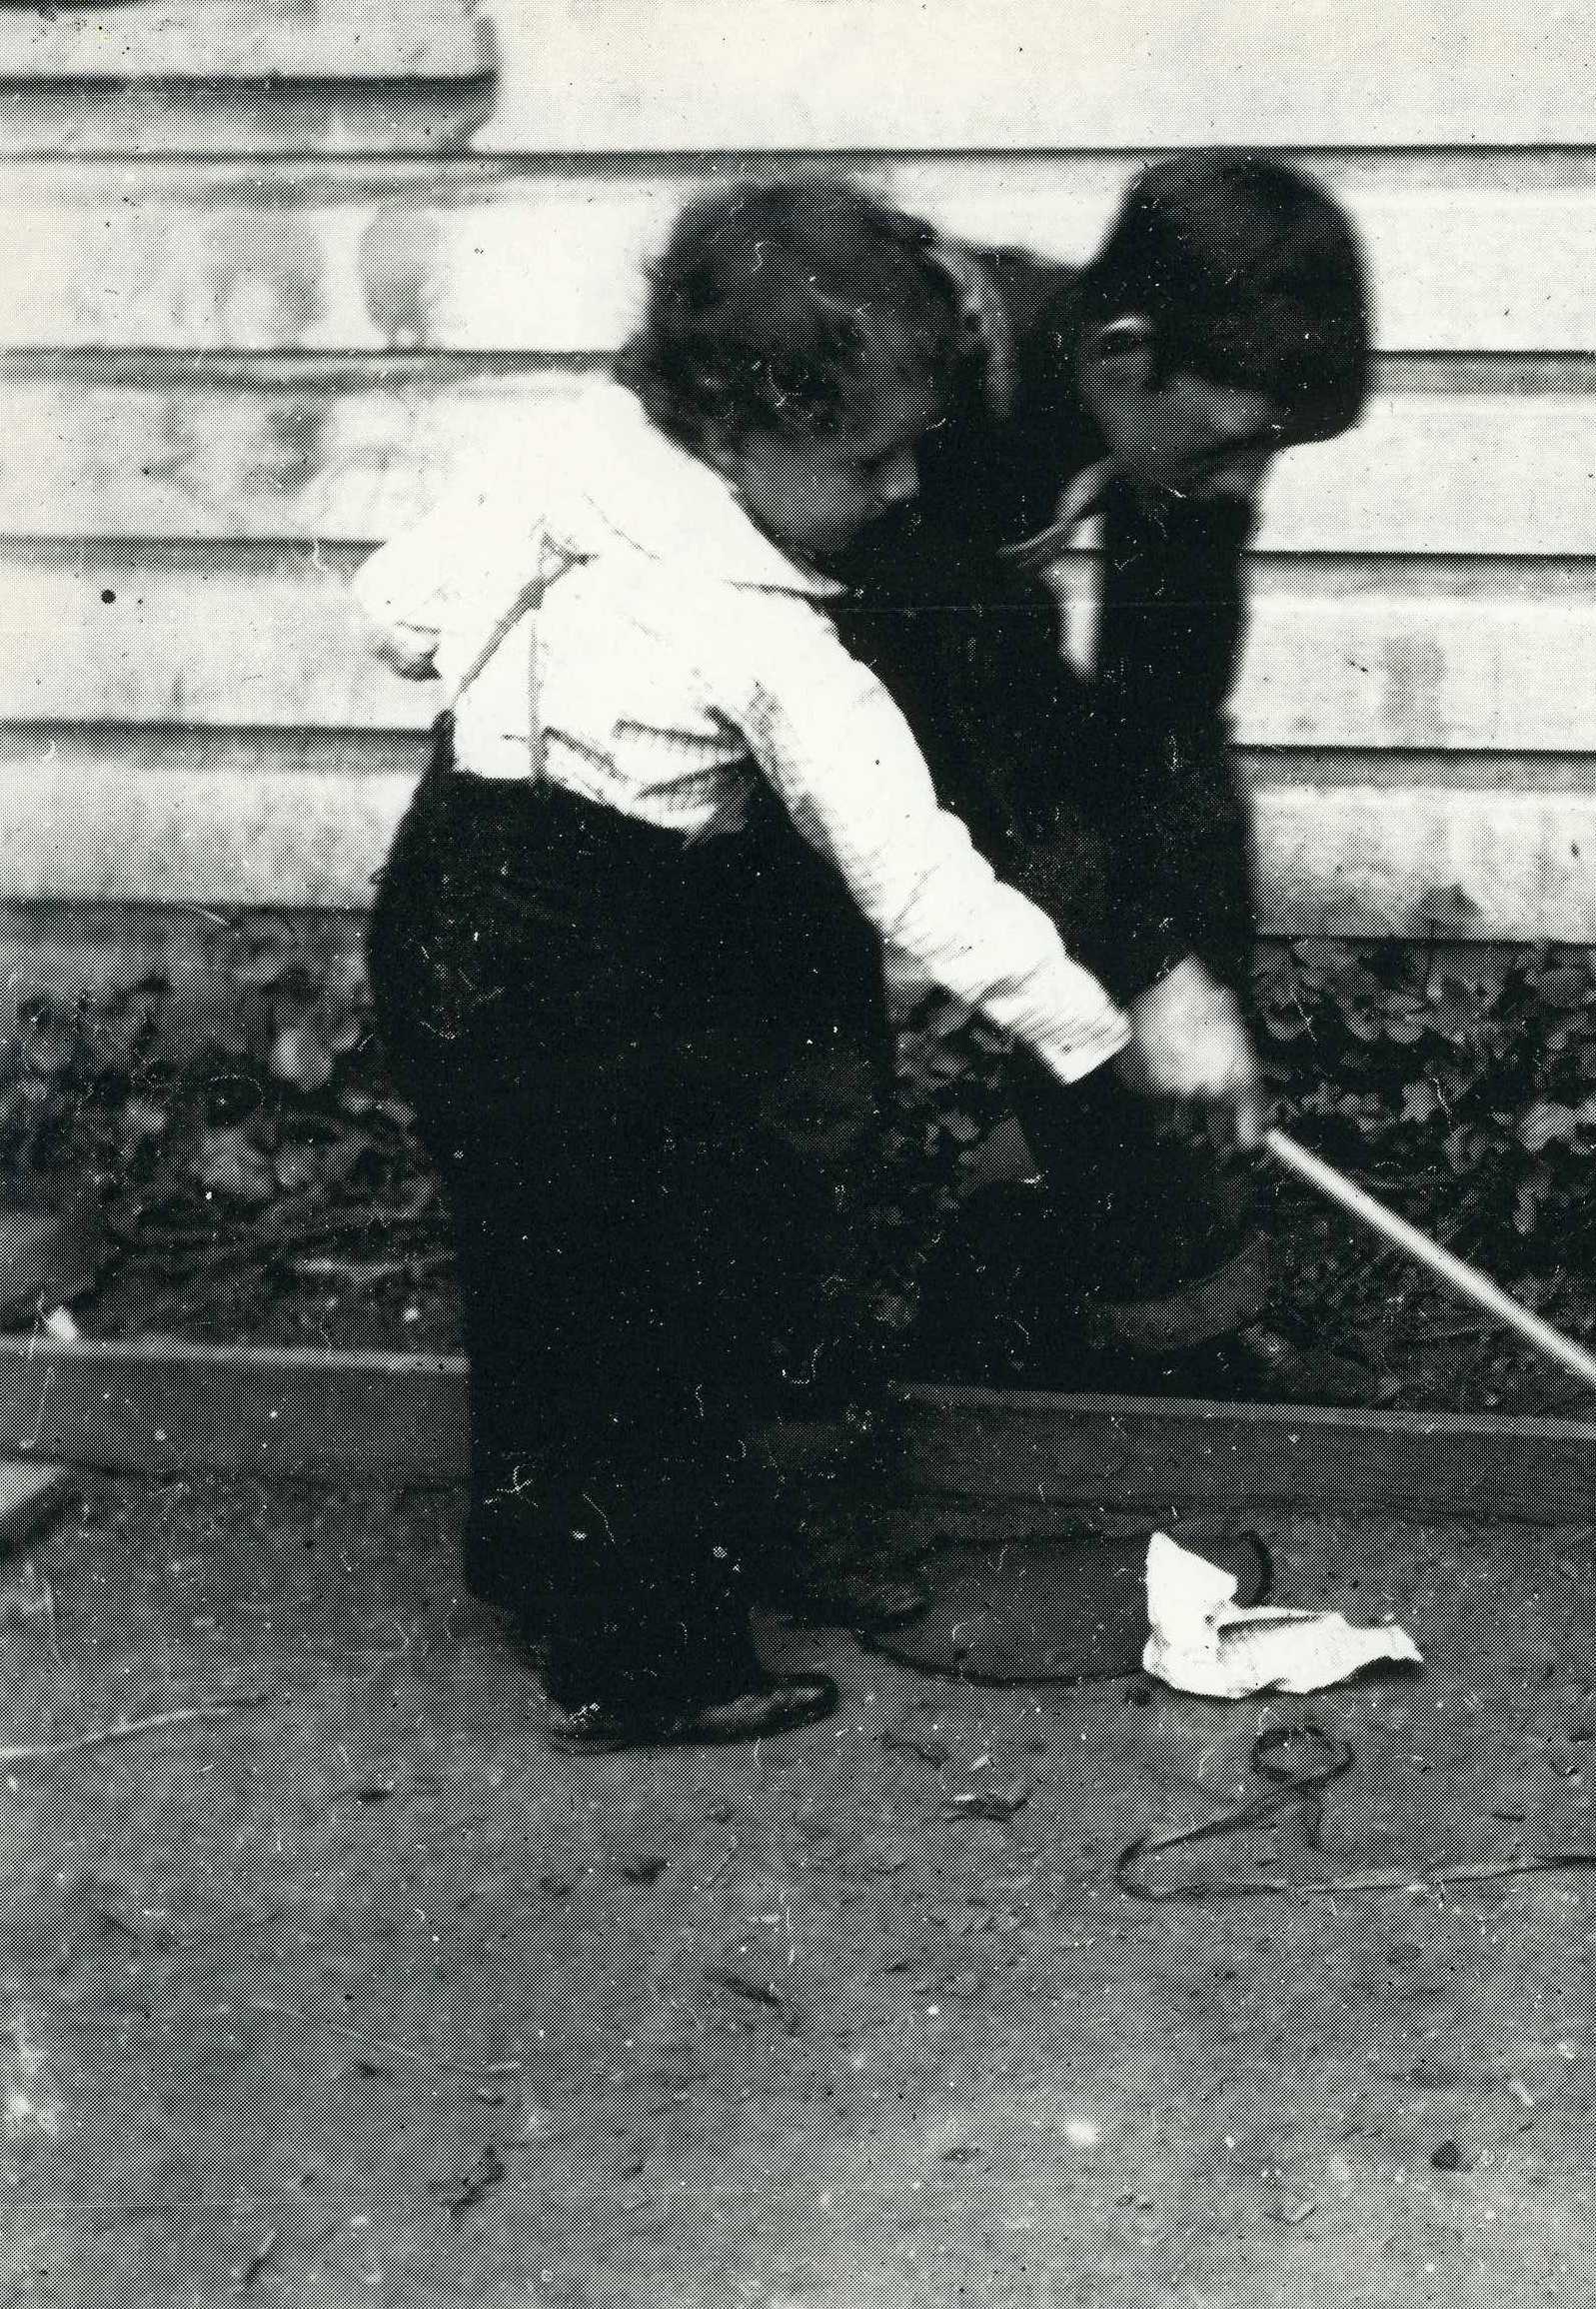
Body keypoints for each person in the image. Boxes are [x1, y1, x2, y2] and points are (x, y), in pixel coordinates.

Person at [356, 180, 1201, 1751]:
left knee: (536, 1273)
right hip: (592, 952)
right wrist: (1089, 1032)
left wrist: (520, 627)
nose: (899, 493)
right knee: (648, 1299)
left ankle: (536, 1562)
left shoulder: (568, 466)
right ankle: (650, 1662)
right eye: (867, 460)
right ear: (738, 437)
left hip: (447, 905)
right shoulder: (774, 642)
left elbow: (395, 611)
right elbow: (922, 880)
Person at [824, 152, 1377, 1398]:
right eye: (1240, 444)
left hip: (925, 687)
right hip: (699, 742)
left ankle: (1162, 1307)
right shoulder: (940, 395)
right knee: (795, 1074)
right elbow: (986, 752)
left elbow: (1169, 718)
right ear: (1126, 356)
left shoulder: (1157, 412)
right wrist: (1145, 976)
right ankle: (820, 1397)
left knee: (1165, 867)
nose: (1247, 488)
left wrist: (1199, 980)